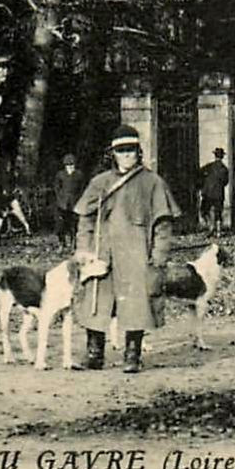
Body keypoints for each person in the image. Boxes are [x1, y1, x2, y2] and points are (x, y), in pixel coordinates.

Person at [73, 124, 179, 373]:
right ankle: (94, 353)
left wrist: (159, 257)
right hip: (103, 252)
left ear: (139, 151)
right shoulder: (100, 183)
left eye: (131, 150)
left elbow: (163, 226)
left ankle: (133, 355)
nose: (127, 155)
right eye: (121, 151)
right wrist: (84, 250)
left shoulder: (153, 183)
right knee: (96, 301)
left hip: (136, 254)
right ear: (113, 154)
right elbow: (85, 220)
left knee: (136, 304)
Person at [53, 153, 85, 250]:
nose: (70, 167)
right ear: (65, 166)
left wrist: (79, 200)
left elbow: (82, 189)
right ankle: (61, 244)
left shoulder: (79, 175)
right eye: (68, 165)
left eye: (72, 165)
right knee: (60, 225)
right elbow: (57, 188)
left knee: (74, 225)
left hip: (75, 203)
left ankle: (73, 244)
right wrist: (60, 199)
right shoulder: (60, 175)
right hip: (62, 204)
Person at [199, 148, 230, 234]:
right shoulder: (224, 169)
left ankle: (210, 225)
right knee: (218, 212)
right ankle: (219, 231)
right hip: (219, 194)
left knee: (204, 211)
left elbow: (200, 173)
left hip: (208, 193)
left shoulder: (209, 167)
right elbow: (225, 182)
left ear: (215, 156)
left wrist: (203, 184)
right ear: (222, 157)